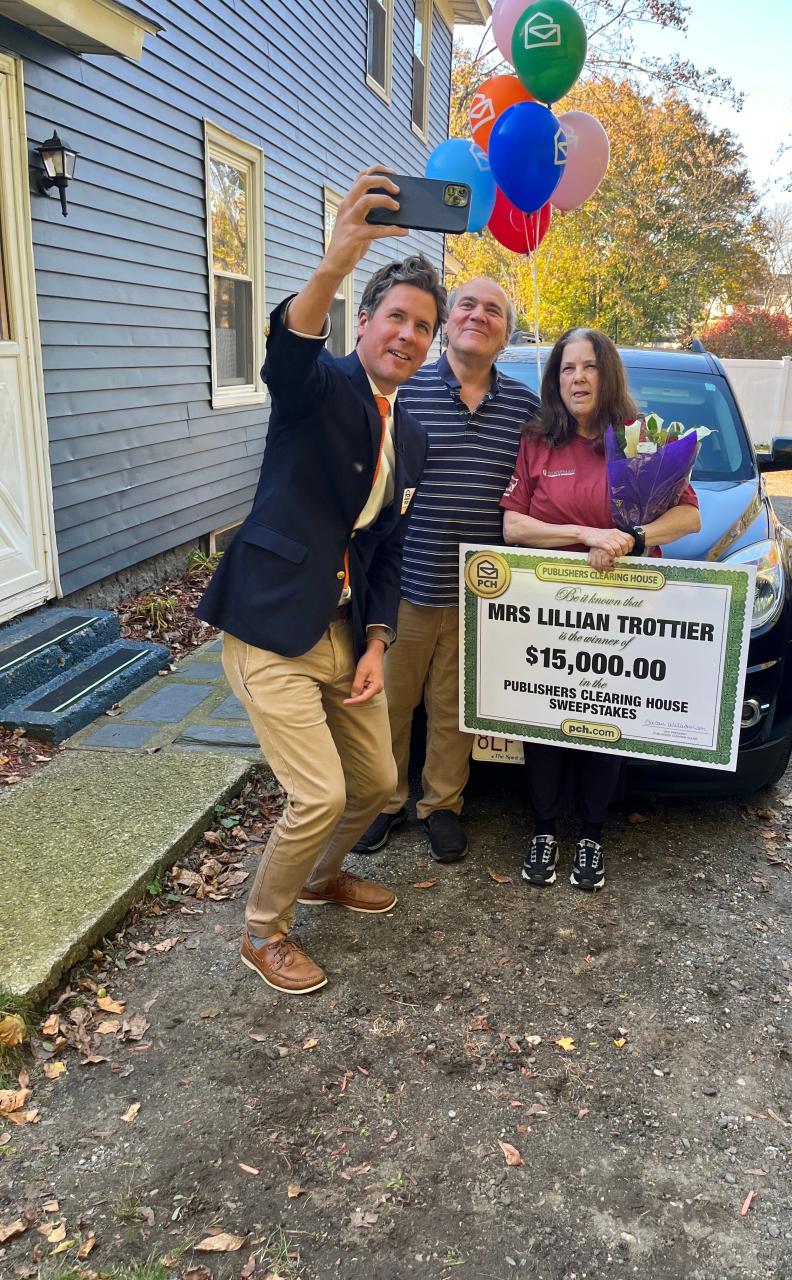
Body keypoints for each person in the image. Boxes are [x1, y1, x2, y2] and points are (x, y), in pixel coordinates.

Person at [197, 166, 445, 993]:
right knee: (317, 794)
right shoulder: (321, 387)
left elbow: (386, 547)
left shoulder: (410, 435)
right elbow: (287, 355)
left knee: (377, 785)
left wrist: (378, 638)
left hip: (345, 634)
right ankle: (262, 931)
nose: (409, 336)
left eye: (424, 328)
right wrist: (335, 262)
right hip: (271, 628)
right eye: (397, 318)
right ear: (366, 321)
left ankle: (318, 877)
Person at [500, 327, 701, 891]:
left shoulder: (639, 439)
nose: (578, 378)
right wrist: (587, 533)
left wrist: (632, 538)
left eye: (589, 367)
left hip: (620, 607)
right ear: (555, 378)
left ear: (607, 374)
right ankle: (543, 828)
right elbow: (513, 525)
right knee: (542, 721)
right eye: (567, 368)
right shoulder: (538, 439)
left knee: (604, 718)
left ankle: (590, 834)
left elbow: (689, 518)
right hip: (546, 606)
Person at [353, 279, 540, 863]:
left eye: (494, 311)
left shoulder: (525, 408)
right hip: (404, 583)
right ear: (445, 323)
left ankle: (441, 807)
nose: (479, 316)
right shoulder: (406, 388)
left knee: (455, 708)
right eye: (467, 305)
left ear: (505, 334)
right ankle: (382, 803)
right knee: (389, 703)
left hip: (482, 593)